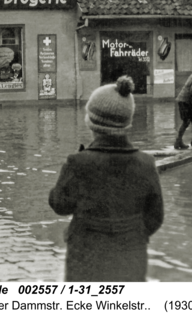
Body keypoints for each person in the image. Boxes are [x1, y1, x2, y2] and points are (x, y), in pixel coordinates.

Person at [48, 76, 164, 282]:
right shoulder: (146, 163)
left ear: (91, 121)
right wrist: (131, 234)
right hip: (131, 258)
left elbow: (60, 204)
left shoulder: (78, 162)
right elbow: (155, 217)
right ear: (128, 122)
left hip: (85, 259)